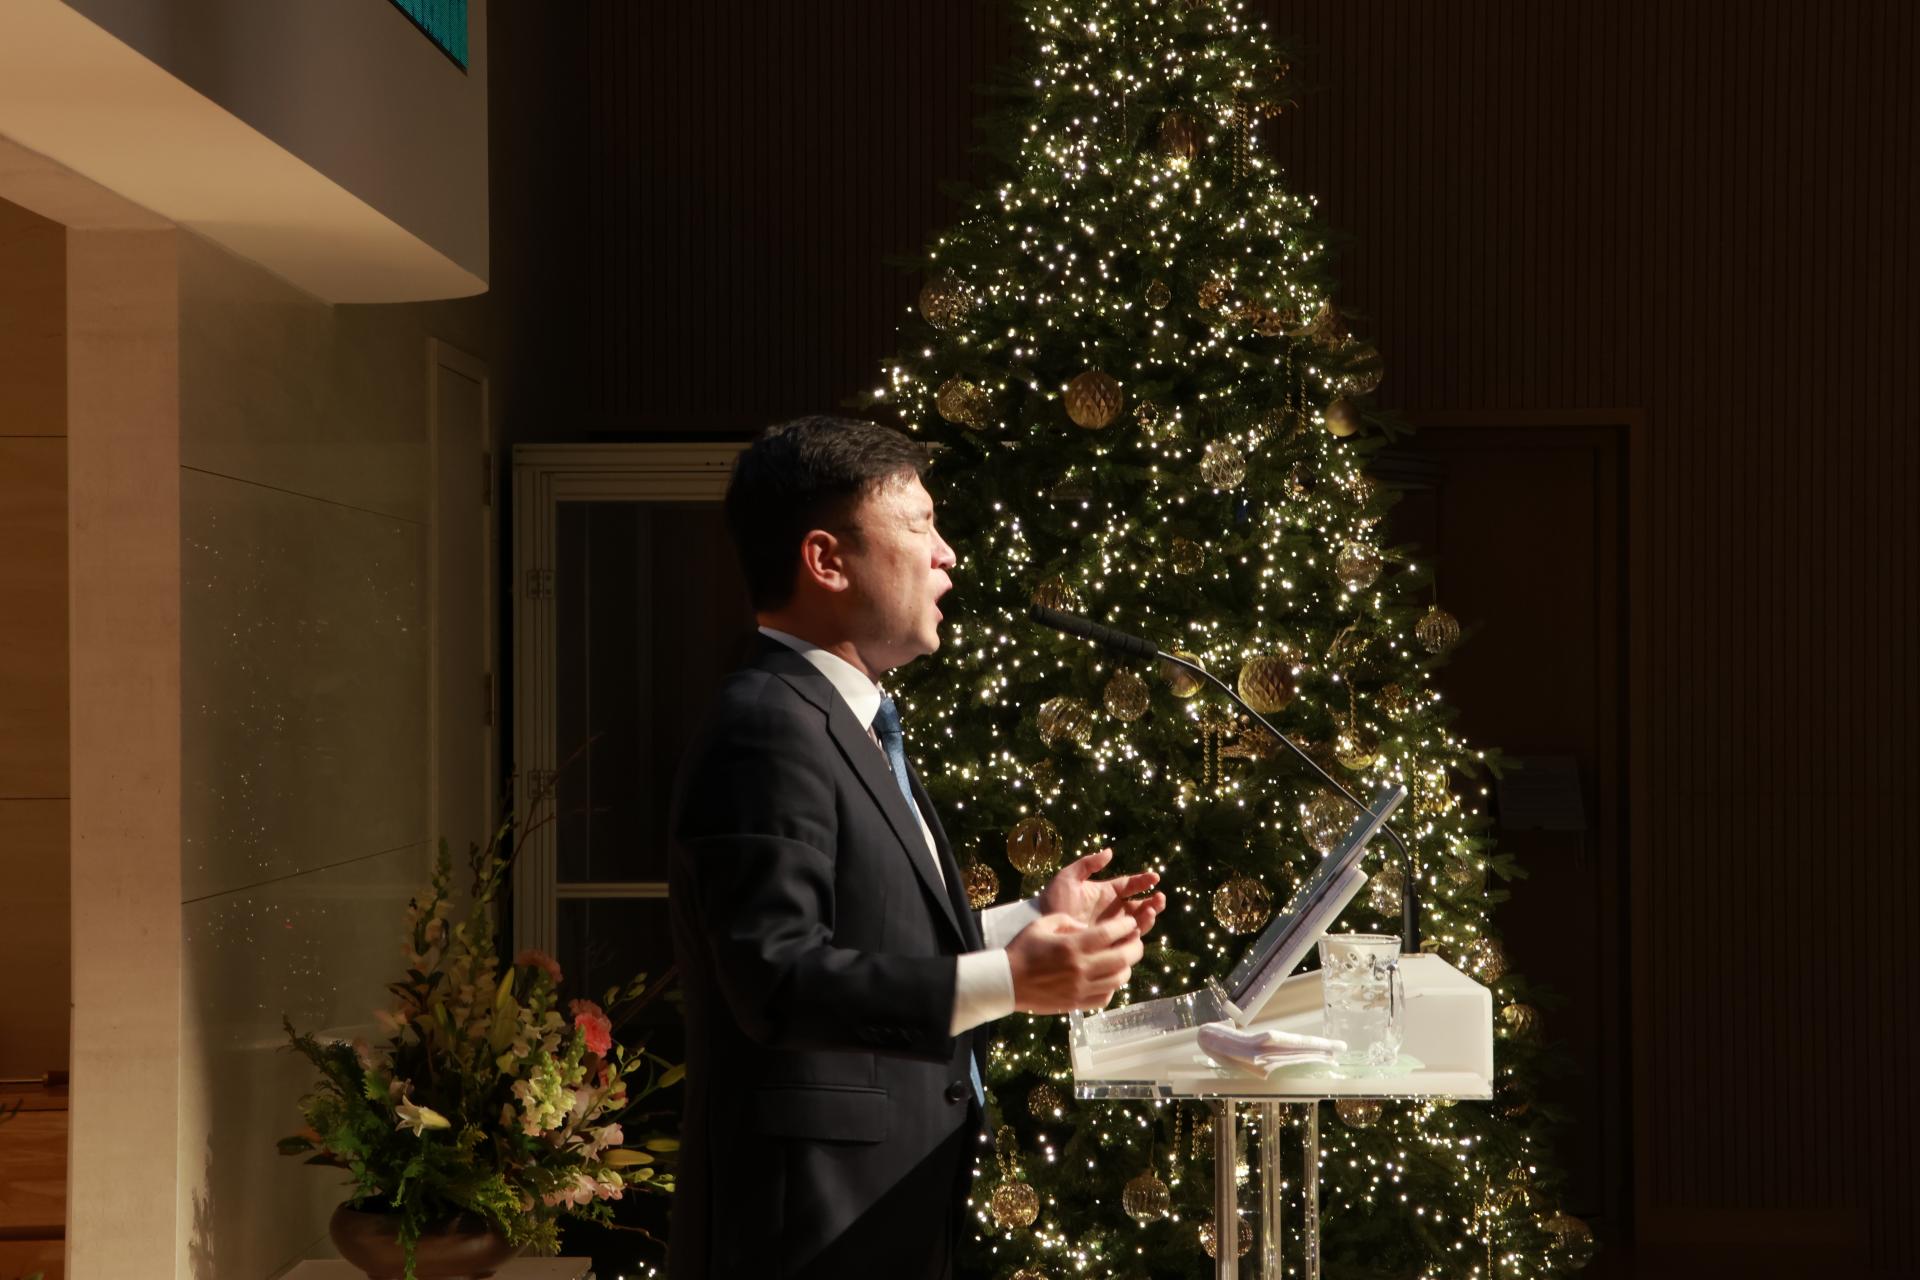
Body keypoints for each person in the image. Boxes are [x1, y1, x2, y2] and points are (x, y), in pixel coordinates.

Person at [666, 416, 1167, 1278]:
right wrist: (1010, 981)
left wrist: (1029, 921)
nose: (946, 555)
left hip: (878, 1209)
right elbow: (775, 982)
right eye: (920, 526)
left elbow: (872, 932)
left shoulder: (843, 717)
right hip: (807, 1233)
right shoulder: (765, 724)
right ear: (827, 560)